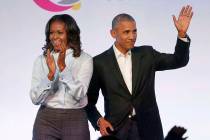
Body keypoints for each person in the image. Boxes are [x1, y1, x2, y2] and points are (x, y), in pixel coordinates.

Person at [85, 5, 193, 140]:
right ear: (113, 33)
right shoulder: (99, 62)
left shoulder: (147, 54)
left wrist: (181, 34)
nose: (132, 36)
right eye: (126, 32)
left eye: (134, 31)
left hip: (149, 128)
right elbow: (88, 102)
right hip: (116, 130)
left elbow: (179, 61)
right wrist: (99, 121)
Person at [30, 14, 93, 140]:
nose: (54, 37)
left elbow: (80, 94)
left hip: (75, 118)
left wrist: (63, 69)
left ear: (70, 34)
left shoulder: (85, 59)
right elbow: (35, 99)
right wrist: (50, 75)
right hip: (46, 119)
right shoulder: (41, 60)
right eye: (51, 32)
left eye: (60, 32)